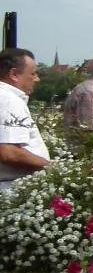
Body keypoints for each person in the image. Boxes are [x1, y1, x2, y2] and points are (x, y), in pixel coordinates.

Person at [0, 48, 49, 190]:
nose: (37, 79)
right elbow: (9, 152)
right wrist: (51, 167)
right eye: (33, 73)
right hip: (10, 188)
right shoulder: (9, 100)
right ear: (14, 74)